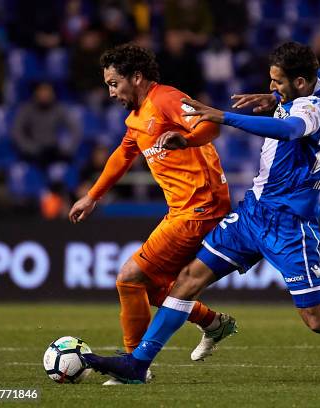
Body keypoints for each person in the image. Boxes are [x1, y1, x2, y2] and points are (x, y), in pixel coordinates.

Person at [82, 42, 320, 385]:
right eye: (271, 80)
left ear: (302, 82)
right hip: (252, 215)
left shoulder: (313, 108)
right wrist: (275, 95)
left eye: (278, 81)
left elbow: (289, 128)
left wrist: (225, 117)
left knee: (318, 319)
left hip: (289, 224)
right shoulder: (315, 81)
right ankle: (139, 362)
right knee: (187, 279)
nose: (272, 85)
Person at [68, 44, 236, 384]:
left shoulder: (167, 99)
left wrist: (187, 140)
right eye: (108, 86)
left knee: (129, 277)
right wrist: (92, 196)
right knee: (152, 286)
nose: (111, 92)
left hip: (200, 208)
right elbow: (121, 156)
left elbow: (212, 126)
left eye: (115, 83)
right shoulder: (137, 117)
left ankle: (133, 367)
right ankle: (213, 323)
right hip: (183, 209)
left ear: (137, 77)